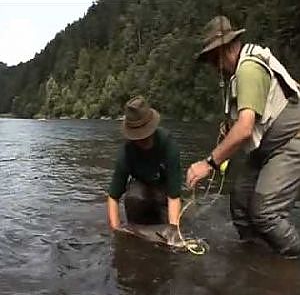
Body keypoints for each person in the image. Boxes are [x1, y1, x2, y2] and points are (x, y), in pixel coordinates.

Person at [186, 15, 300, 258]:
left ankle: (292, 266)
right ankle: (256, 262)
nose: (213, 67)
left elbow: (246, 128)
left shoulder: (248, 69)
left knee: (265, 212)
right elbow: (250, 120)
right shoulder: (241, 68)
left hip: (292, 141)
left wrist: (208, 164)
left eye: (212, 60)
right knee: (240, 202)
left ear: (225, 50)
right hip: (268, 147)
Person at [107, 95, 182, 230]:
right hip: (141, 192)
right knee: (133, 196)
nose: (142, 139)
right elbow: (113, 197)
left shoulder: (168, 144)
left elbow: (174, 196)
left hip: (164, 193)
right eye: (138, 136)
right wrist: (116, 230)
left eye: (145, 135)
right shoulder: (126, 152)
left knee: (170, 225)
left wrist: (173, 231)